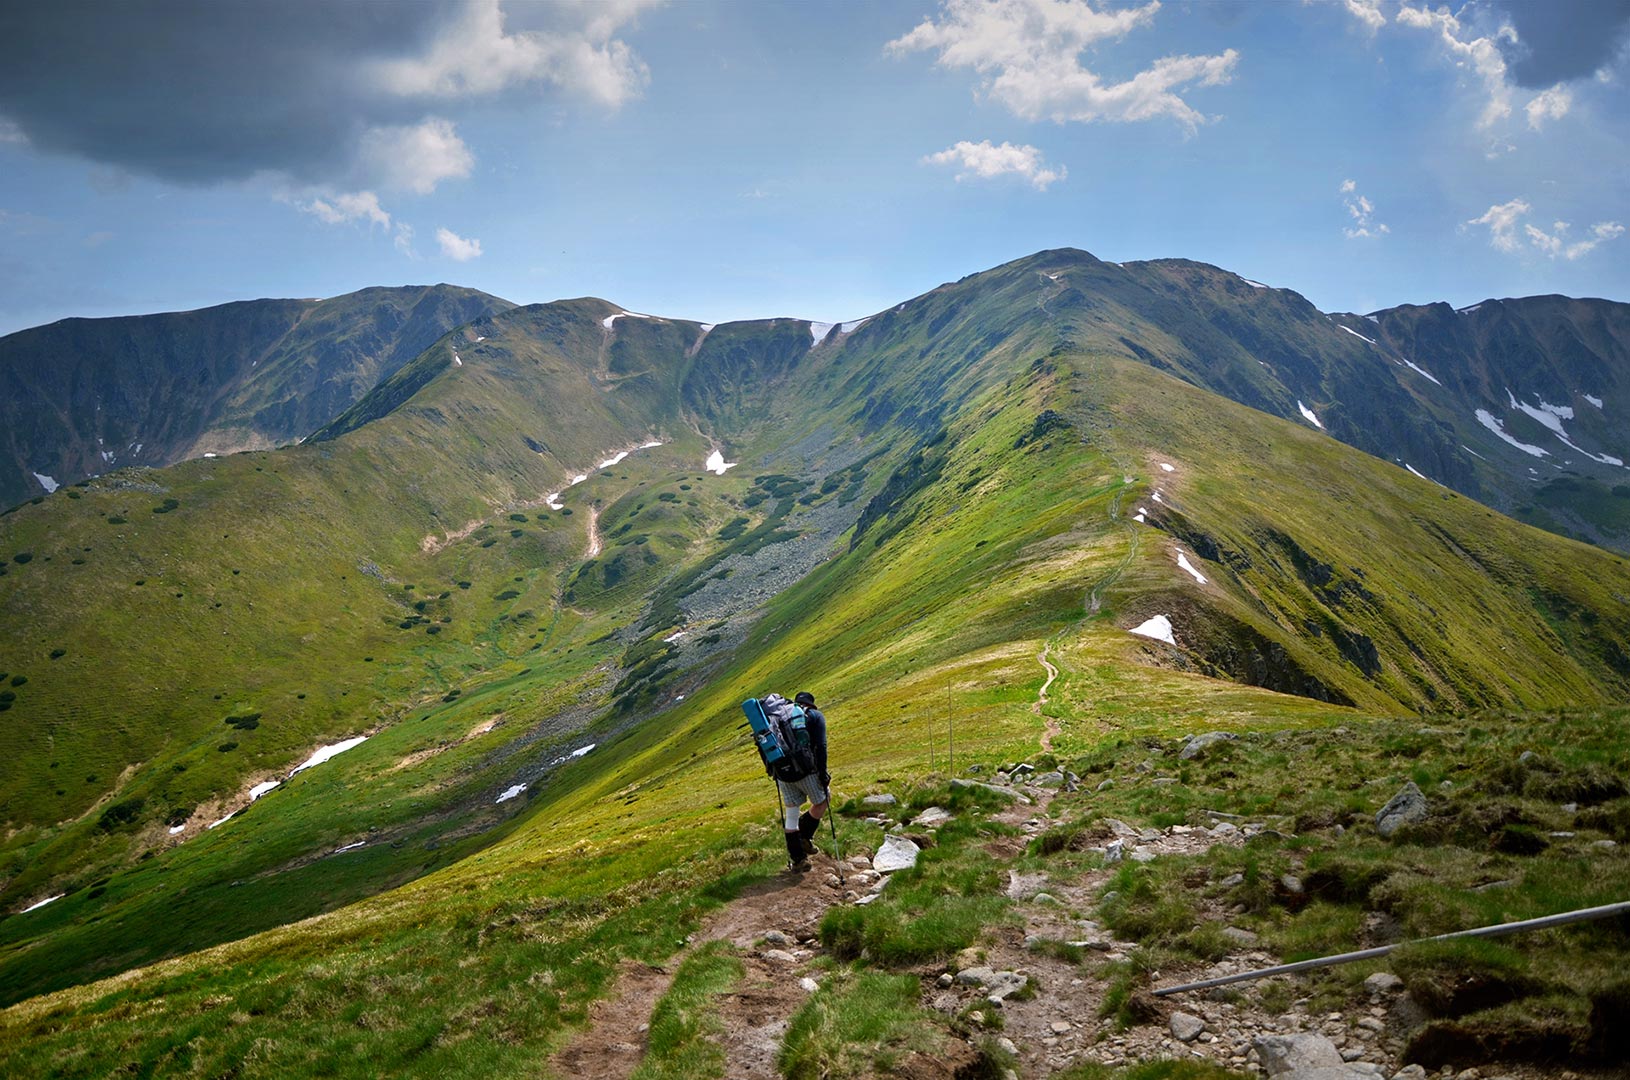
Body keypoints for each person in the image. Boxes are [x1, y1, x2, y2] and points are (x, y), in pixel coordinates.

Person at [782, 690, 830, 872]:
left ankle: (798, 859)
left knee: (791, 814)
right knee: (823, 800)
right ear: (811, 704)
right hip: (806, 771)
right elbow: (821, 746)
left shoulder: (782, 717)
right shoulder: (815, 716)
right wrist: (823, 773)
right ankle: (804, 836)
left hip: (783, 774)